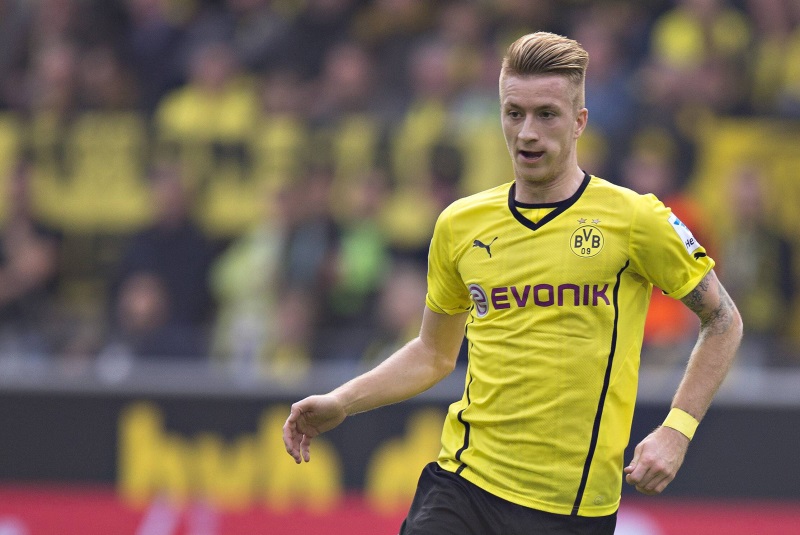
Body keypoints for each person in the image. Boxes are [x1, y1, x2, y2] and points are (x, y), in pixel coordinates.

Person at [283, 32, 743, 535]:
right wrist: (342, 401)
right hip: (464, 483)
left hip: (571, 507)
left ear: (579, 122)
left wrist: (677, 430)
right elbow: (433, 353)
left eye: (546, 115)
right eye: (514, 113)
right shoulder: (461, 224)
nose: (527, 133)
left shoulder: (635, 219)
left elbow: (723, 320)